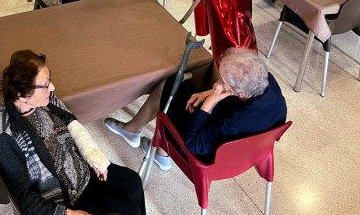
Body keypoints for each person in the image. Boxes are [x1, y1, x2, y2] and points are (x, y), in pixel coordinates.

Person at [0, 50, 156, 215]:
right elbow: (24, 200)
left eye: (50, 80)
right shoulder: (6, 136)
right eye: (45, 85)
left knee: (132, 182)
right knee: (129, 213)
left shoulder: (44, 101)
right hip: (62, 199)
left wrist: (92, 156)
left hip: (79, 173)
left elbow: (71, 122)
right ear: (22, 94)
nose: (52, 88)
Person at [104, 47, 287, 167]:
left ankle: (133, 131)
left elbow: (193, 144)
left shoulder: (233, 122)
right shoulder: (266, 82)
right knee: (190, 94)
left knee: (170, 86)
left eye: (222, 83)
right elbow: (235, 107)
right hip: (243, 148)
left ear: (240, 94)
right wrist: (208, 94)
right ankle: (160, 153)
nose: (216, 85)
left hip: (206, 155)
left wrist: (210, 102)